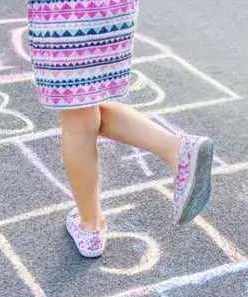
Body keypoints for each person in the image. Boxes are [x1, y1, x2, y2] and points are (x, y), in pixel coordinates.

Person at [27, 0, 214, 258]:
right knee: (85, 105)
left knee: (76, 118)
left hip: (66, 16)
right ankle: (174, 148)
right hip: (113, 10)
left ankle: (89, 225)